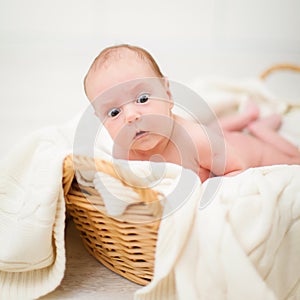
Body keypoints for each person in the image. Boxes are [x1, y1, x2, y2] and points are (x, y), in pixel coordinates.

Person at [83, 44, 300, 182]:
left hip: (249, 152)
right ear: (100, 119)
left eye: (142, 99)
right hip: (217, 141)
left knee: (294, 161)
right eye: (113, 112)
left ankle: (260, 127)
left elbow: (239, 171)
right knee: (214, 130)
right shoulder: (123, 151)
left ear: (167, 94)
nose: (130, 116)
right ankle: (245, 118)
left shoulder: (197, 140)